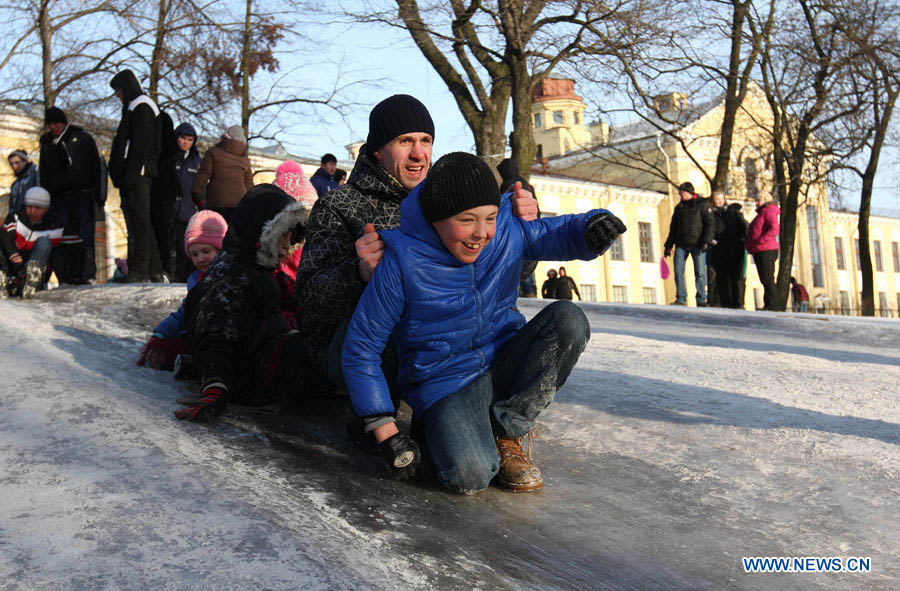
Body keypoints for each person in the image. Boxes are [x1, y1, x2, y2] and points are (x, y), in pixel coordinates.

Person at [341, 152, 626, 494]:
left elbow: (554, 232)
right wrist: (385, 429)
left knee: (569, 319)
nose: (481, 234)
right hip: (446, 379)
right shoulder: (401, 259)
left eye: (489, 218)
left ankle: (507, 430)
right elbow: (362, 347)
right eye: (466, 221)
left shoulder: (506, 229)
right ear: (436, 219)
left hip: (503, 355)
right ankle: (439, 430)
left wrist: (591, 228)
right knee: (470, 476)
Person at [297, 94, 539, 403]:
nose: (418, 154)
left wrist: (523, 230)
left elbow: (508, 273)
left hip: (435, 353)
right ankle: (375, 421)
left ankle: (487, 412)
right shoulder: (339, 206)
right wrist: (358, 274)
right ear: (377, 151)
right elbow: (309, 298)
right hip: (355, 356)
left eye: (425, 141)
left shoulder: (446, 201)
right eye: (404, 141)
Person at [176, 185, 308, 421]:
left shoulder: (256, 268)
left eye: (291, 236)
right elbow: (215, 332)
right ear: (260, 233)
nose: (288, 244)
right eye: (282, 235)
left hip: (262, 360)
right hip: (248, 377)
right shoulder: (231, 275)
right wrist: (215, 386)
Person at [137, 210, 227, 371]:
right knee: (169, 347)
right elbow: (184, 311)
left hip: (221, 337)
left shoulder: (228, 277)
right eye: (194, 254)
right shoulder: (195, 279)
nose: (200, 258)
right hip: (197, 336)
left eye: (206, 251)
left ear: (220, 250)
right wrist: (161, 333)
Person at [108, 69, 163, 283]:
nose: (117, 95)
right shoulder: (132, 107)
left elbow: (140, 144)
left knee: (141, 222)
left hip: (138, 174)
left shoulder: (142, 106)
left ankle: (142, 270)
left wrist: (131, 174)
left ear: (127, 87)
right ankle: (153, 269)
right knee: (138, 222)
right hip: (132, 175)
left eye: (118, 90)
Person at [38, 107, 104, 284]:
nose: (54, 127)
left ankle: (88, 274)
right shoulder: (46, 143)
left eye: (57, 123)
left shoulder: (82, 138)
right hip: (59, 197)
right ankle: (67, 275)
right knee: (64, 238)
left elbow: (96, 166)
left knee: (85, 236)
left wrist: (99, 195)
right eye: (51, 124)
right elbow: (43, 173)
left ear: (64, 122)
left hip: (82, 194)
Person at [1, 187, 80, 299]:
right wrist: (12, 253)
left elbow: (67, 251)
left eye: (37, 208)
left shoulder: (56, 225)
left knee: (44, 242)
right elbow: (5, 237)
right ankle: (6, 281)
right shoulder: (16, 218)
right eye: (29, 207)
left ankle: (28, 279)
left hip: (38, 271)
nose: (32, 211)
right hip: (12, 267)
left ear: (46, 209)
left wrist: (68, 278)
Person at [663, 182, 715, 306]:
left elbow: (710, 224)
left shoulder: (702, 205)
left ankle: (701, 298)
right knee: (678, 271)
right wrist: (669, 245)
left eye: (681, 192)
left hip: (698, 244)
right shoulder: (679, 207)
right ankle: (681, 298)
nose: (680, 194)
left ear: (688, 192)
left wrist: (706, 241)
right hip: (681, 244)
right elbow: (674, 228)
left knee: (700, 273)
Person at [191, 125, 253, 224]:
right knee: (231, 235)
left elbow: (203, 173)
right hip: (239, 203)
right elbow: (249, 185)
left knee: (215, 233)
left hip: (216, 200)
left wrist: (196, 193)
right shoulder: (245, 160)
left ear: (225, 137)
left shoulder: (213, 152)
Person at [149, 112, 180, 281]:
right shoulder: (172, 150)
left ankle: (165, 269)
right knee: (164, 232)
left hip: (160, 194)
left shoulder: (161, 150)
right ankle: (166, 268)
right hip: (165, 195)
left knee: (162, 231)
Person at [172, 122, 203, 282]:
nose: (185, 142)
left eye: (189, 139)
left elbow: (201, 188)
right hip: (170, 209)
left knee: (187, 248)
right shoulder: (169, 157)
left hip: (189, 211)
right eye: (183, 138)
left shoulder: (196, 161)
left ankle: (186, 277)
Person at [708, 190, 748, 308]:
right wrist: (712, 241)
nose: (719, 201)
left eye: (721, 198)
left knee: (735, 277)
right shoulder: (711, 213)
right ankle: (725, 302)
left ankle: (737, 302)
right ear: (713, 201)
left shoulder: (732, 212)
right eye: (717, 199)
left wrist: (742, 240)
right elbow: (708, 229)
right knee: (722, 278)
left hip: (734, 249)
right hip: (719, 249)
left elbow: (743, 226)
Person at [746, 191, 780, 311]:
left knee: (768, 278)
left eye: (758, 200)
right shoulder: (762, 213)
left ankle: (773, 304)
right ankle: (769, 303)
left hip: (767, 250)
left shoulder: (769, 211)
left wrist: (761, 240)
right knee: (765, 278)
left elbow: (774, 228)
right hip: (759, 250)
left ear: (765, 200)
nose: (756, 202)